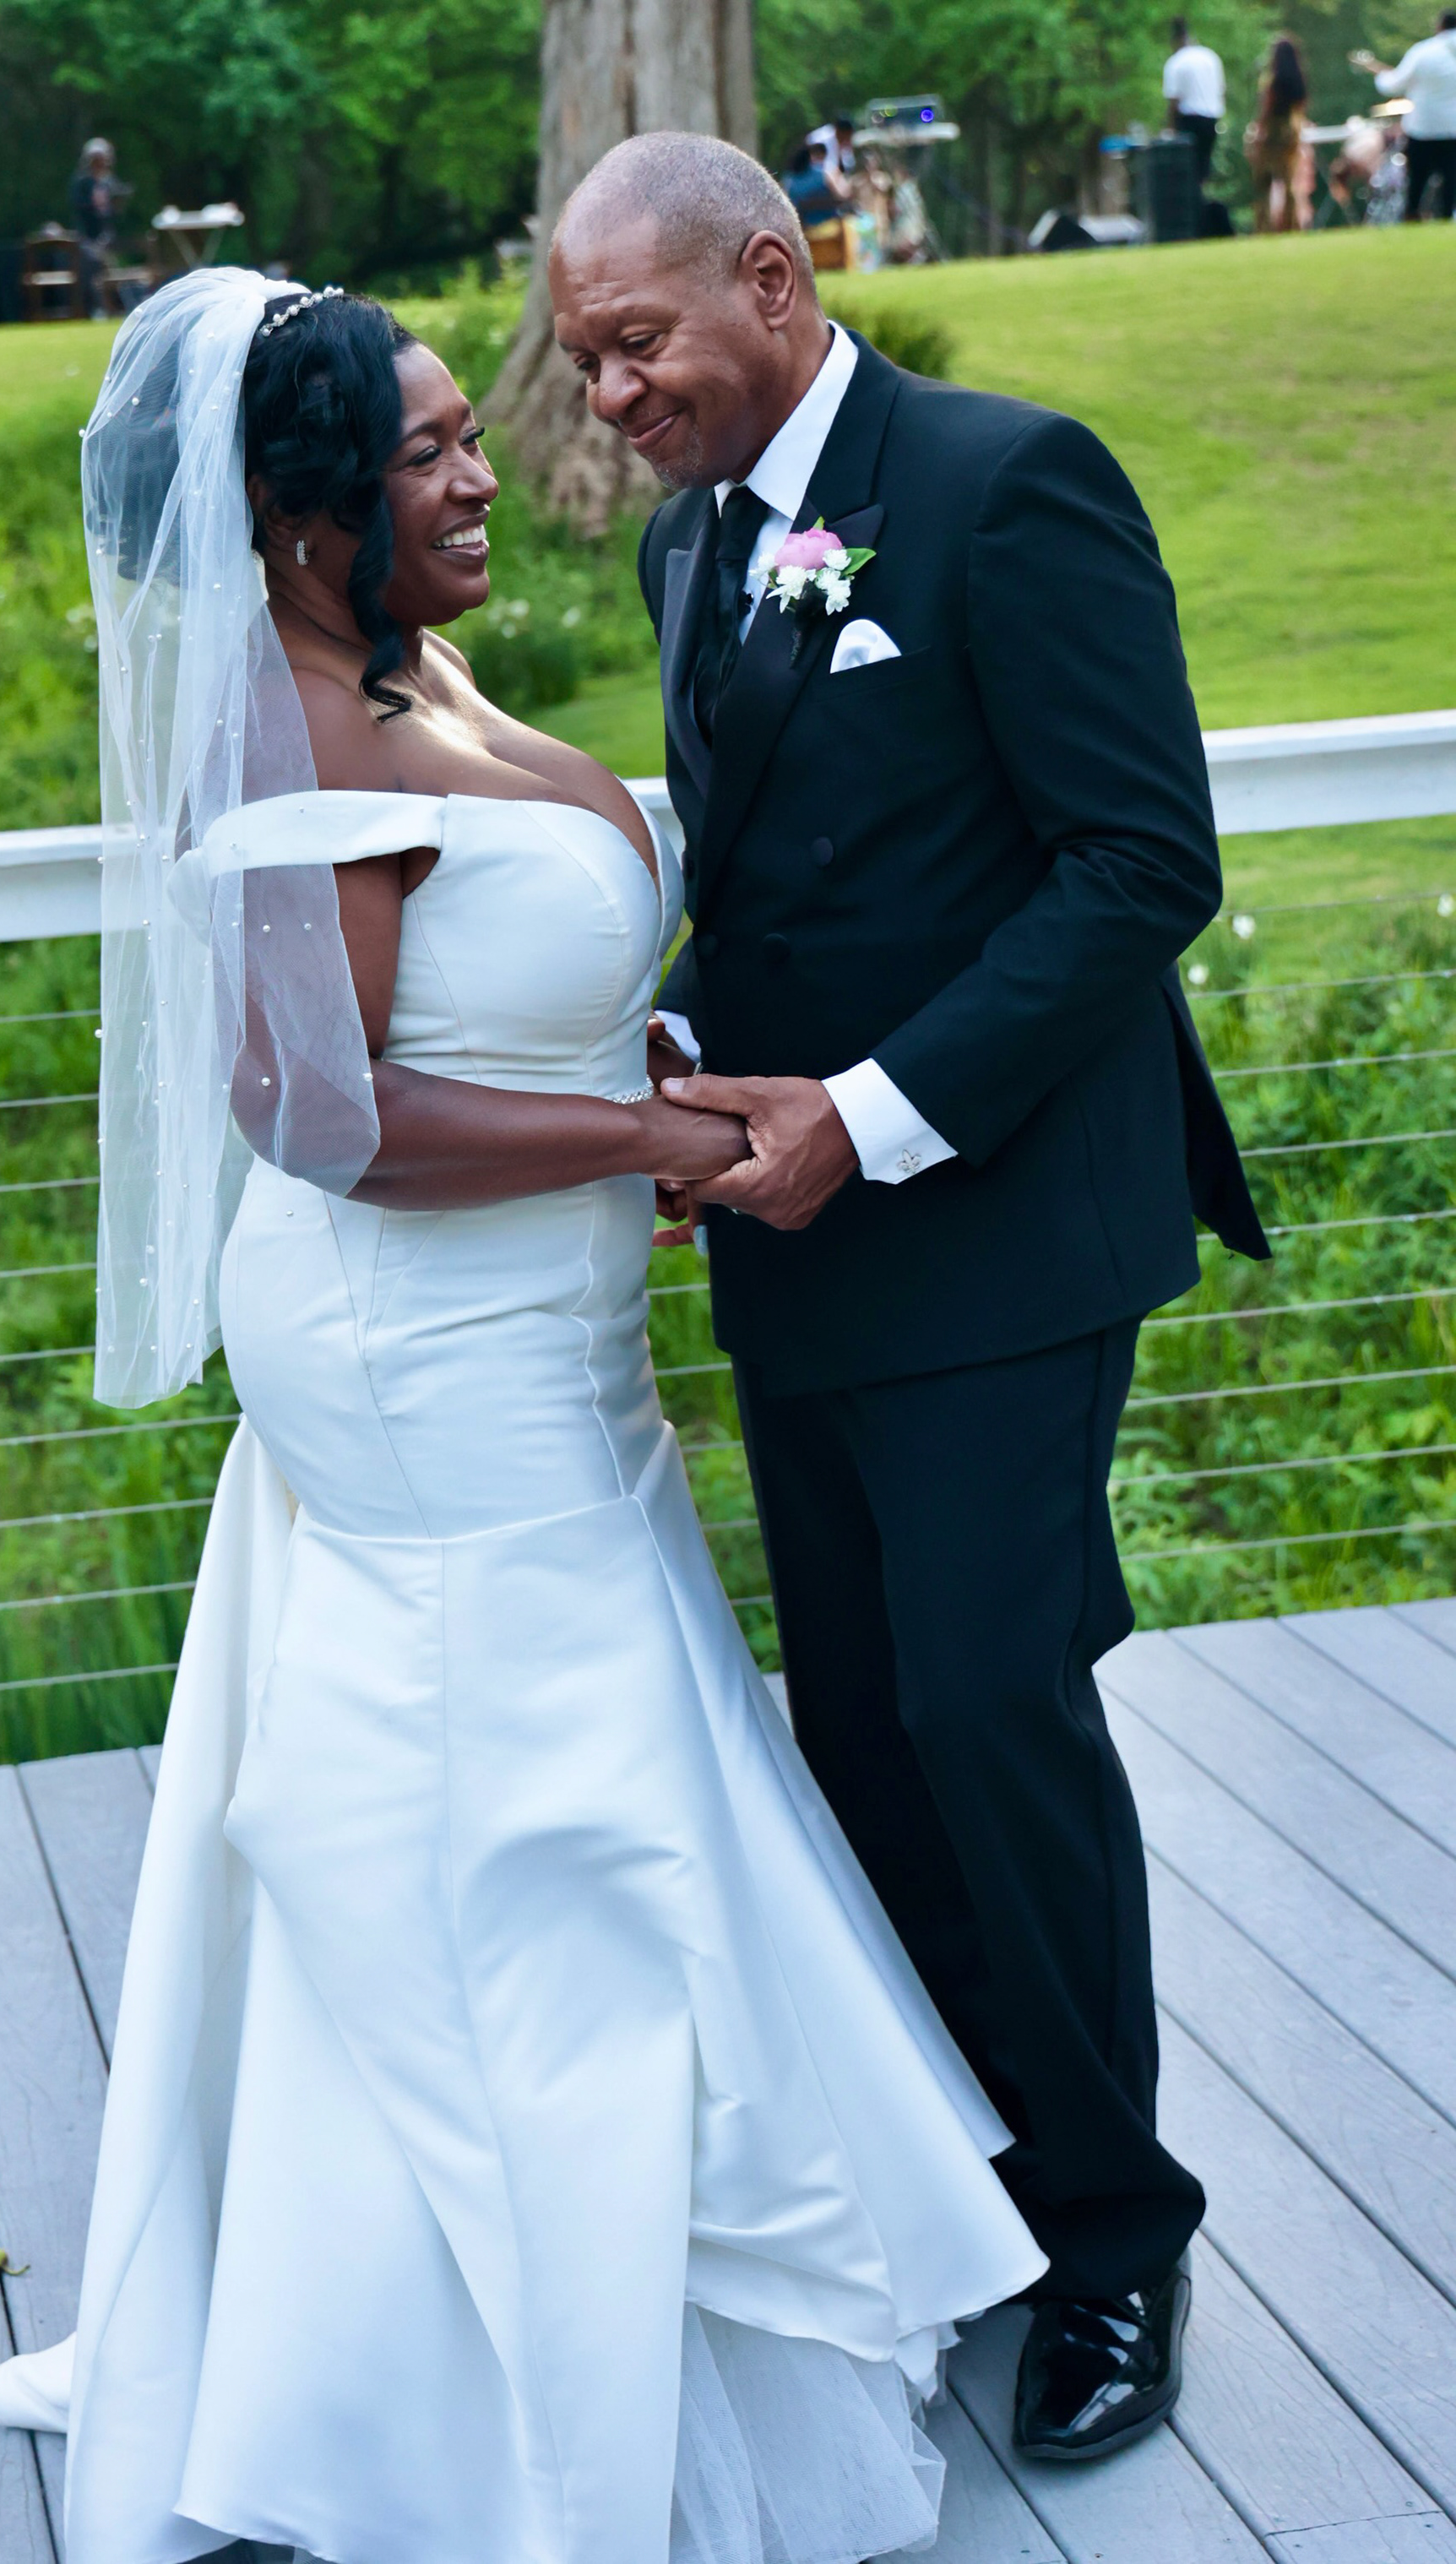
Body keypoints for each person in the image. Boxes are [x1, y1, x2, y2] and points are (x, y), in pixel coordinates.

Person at [0, 264, 1046, 2561]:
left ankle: (523, 2291)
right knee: (515, 1809)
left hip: (545, 1337)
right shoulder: (290, 722)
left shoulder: (403, 664)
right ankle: (505, 2378)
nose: (485, 474)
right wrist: (649, 1140)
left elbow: (473, 990)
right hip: (416, 1347)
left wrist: (621, 1069)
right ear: (296, 515)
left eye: (472, 429)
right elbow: (319, 1109)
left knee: (572, 1768)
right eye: (431, 454)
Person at [550, 130, 1269, 2464]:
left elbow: (1138, 859)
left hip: (1005, 1227)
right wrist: (677, 1053)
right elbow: (775, 883)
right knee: (861, 1730)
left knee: (990, 1710)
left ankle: (1117, 2235)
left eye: (635, 345)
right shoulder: (688, 543)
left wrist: (866, 1110)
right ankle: (970, 2188)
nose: (609, 400)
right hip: (806, 1247)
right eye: (582, 364)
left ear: (772, 277)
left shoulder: (1005, 482)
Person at [1352, 10, 1456, 216]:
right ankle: (1447, 217)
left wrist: (1380, 75)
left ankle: (1413, 214)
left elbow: (1392, 84)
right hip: (1453, 129)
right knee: (1451, 179)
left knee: (1418, 179)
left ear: (1439, 26)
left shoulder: (1423, 51)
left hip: (1424, 127)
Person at [1247, 34, 1311, 230]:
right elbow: (1301, 106)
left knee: (1264, 181)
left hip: (1272, 132)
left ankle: (1264, 225)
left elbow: (1266, 109)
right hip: (1292, 131)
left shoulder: (1272, 81)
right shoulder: (1299, 80)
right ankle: (1291, 224)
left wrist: (1257, 133)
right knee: (1289, 181)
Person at [67, 136, 130, 318]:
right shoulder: (81, 183)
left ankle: (119, 306)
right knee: (94, 263)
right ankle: (97, 308)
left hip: (108, 239)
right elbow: (80, 208)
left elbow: (115, 214)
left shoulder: (110, 182)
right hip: (87, 238)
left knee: (111, 263)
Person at [1162, 15, 1226, 186]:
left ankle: (1188, 198)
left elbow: (1173, 100)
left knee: (1185, 167)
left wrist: (1170, 128)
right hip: (1211, 118)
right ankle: (1200, 194)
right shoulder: (1210, 57)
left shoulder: (1176, 62)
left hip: (1188, 120)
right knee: (1203, 167)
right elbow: (1221, 90)